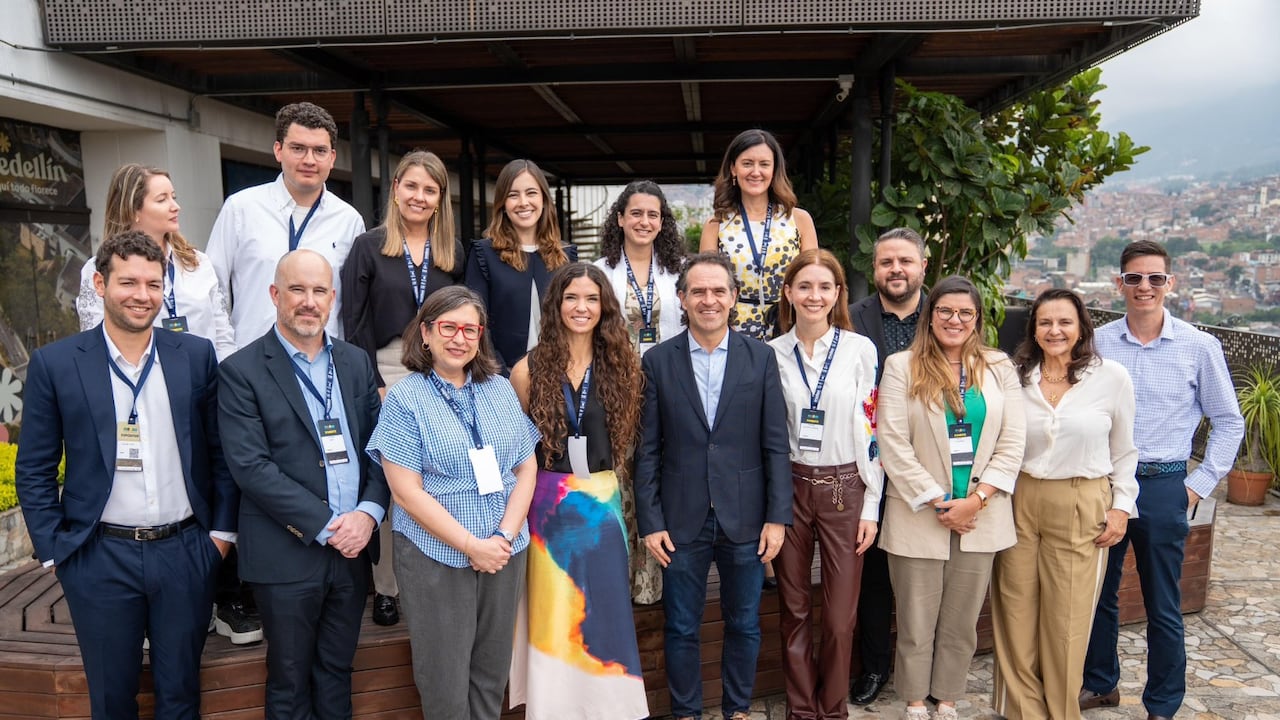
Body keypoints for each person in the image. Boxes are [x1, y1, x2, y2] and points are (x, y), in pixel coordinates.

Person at [16, 230, 238, 718]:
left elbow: (220, 454)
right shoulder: (56, 364)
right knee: (112, 701)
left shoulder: (195, 355)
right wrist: (57, 552)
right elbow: (34, 466)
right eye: (129, 282)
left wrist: (219, 539)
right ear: (100, 284)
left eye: (154, 284)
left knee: (181, 697)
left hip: (185, 552)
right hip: (99, 557)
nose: (143, 295)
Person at [74, 163, 259, 646]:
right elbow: (95, 340)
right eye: (163, 199)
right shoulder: (98, 270)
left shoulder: (198, 264)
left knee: (218, 480)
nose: (176, 206)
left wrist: (229, 390)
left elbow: (221, 331)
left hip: (206, 392)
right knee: (163, 486)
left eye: (174, 196)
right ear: (133, 208)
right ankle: (146, 605)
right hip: (142, 399)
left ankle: (226, 596)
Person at [217, 250, 388, 720]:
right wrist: (331, 525)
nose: (309, 301)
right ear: (275, 295)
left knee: (336, 672)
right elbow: (251, 467)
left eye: (319, 291)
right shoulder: (241, 371)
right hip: (287, 553)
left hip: (353, 552)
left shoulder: (355, 362)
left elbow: (382, 448)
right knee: (290, 681)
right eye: (297, 289)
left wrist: (368, 515)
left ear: (332, 299)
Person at [1081, 240, 1243, 720]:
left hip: (1164, 484)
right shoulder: (1097, 343)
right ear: (1120, 283)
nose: (1144, 286)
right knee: (1098, 594)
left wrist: (1197, 485)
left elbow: (1228, 421)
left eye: (1155, 278)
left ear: (1170, 283)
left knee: (1164, 603)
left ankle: (1163, 704)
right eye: (1134, 278)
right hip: (1105, 485)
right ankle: (1100, 684)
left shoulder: (1199, 346)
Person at [366, 286, 539, 720]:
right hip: (436, 556)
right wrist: (471, 545)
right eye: (448, 327)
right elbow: (405, 492)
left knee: (491, 675)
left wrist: (503, 536)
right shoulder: (404, 398)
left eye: (470, 329)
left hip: (504, 551)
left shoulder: (500, 389)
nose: (459, 338)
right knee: (444, 682)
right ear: (425, 333)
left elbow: (527, 467)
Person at [633, 252, 792, 720]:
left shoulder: (760, 358)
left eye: (718, 290)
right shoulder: (656, 361)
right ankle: (686, 712)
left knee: (744, 623)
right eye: (698, 291)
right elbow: (647, 450)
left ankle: (737, 710)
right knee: (681, 626)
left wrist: (777, 517)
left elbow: (775, 445)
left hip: (746, 517)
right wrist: (651, 521)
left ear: (734, 297)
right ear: (682, 299)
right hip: (680, 520)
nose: (709, 300)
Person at [877, 275, 1026, 720]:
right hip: (919, 512)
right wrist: (939, 500)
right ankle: (914, 698)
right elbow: (892, 441)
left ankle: (946, 696)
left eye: (965, 312)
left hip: (981, 514)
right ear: (930, 315)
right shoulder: (901, 366)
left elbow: (1013, 440)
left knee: (962, 619)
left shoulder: (999, 366)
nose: (954, 320)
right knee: (915, 620)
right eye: (945, 310)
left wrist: (976, 500)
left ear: (977, 318)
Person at [508, 263, 649, 720]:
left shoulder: (625, 367)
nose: (581, 307)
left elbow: (626, 441)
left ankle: (610, 709)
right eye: (571, 297)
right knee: (554, 613)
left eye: (591, 298)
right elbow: (521, 448)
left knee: (603, 612)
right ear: (556, 305)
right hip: (546, 506)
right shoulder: (526, 370)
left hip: (602, 504)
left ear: (604, 306)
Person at [990, 288, 1139, 720]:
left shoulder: (1111, 378)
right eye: (1045, 322)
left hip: (1081, 497)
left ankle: (1060, 711)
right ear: (1033, 330)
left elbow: (1125, 450)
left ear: (1082, 328)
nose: (1054, 330)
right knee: (1015, 608)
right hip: (1019, 496)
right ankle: (1023, 711)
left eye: (1065, 322)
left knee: (1067, 618)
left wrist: (1121, 507)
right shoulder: (1015, 378)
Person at [341, 149, 464, 627]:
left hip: (442, 371)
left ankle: (437, 578)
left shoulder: (451, 253)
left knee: (442, 477)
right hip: (388, 371)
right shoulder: (368, 247)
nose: (419, 196)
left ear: (440, 199)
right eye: (411, 186)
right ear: (395, 190)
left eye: (430, 190)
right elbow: (354, 323)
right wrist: (373, 385)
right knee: (394, 482)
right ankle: (388, 587)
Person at [769, 249, 882, 720]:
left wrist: (871, 504)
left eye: (824, 287)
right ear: (789, 293)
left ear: (838, 294)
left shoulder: (860, 350)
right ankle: (801, 709)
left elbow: (871, 430)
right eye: (805, 286)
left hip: (844, 489)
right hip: (791, 489)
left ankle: (832, 709)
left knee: (838, 619)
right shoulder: (771, 354)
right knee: (794, 610)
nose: (814, 296)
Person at [847, 226, 929, 705]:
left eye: (905, 261)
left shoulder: (946, 314)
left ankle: (928, 671)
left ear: (922, 266)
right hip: (871, 463)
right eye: (886, 262)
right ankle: (876, 667)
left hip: (932, 463)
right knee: (874, 575)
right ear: (874, 268)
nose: (896, 269)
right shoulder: (850, 318)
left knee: (926, 576)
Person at [593, 179, 685, 604]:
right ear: (619, 219)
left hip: (669, 387)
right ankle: (618, 581)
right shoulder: (599, 271)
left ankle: (655, 583)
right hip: (616, 391)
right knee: (622, 483)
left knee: (661, 479)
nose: (644, 221)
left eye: (653, 214)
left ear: (662, 222)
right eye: (636, 213)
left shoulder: (679, 271)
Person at [208, 101, 365, 350]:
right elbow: (213, 287)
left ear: (332, 157)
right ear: (278, 150)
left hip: (322, 360)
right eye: (298, 148)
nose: (309, 160)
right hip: (252, 358)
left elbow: (353, 305)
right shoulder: (240, 209)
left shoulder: (349, 221)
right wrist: (226, 351)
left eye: (320, 151)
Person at [700, 128, 817, 341]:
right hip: (732, 330)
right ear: (733, 168)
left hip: (789, 326)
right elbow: (707, 283)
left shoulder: (799, 219)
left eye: (764, 164)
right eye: (747, 163)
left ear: (774, 170)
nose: (756, 172)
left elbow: (813, 279)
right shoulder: (716, 224)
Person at [465, 159, 577, 369]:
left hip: (558, 373)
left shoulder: (566, 256)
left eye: (531, 193)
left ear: (544, 199)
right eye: (513, 195)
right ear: (502, 204)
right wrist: (500, 375)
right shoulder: (484, 254)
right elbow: (476, 322)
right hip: (499, 374)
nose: (523, 202)